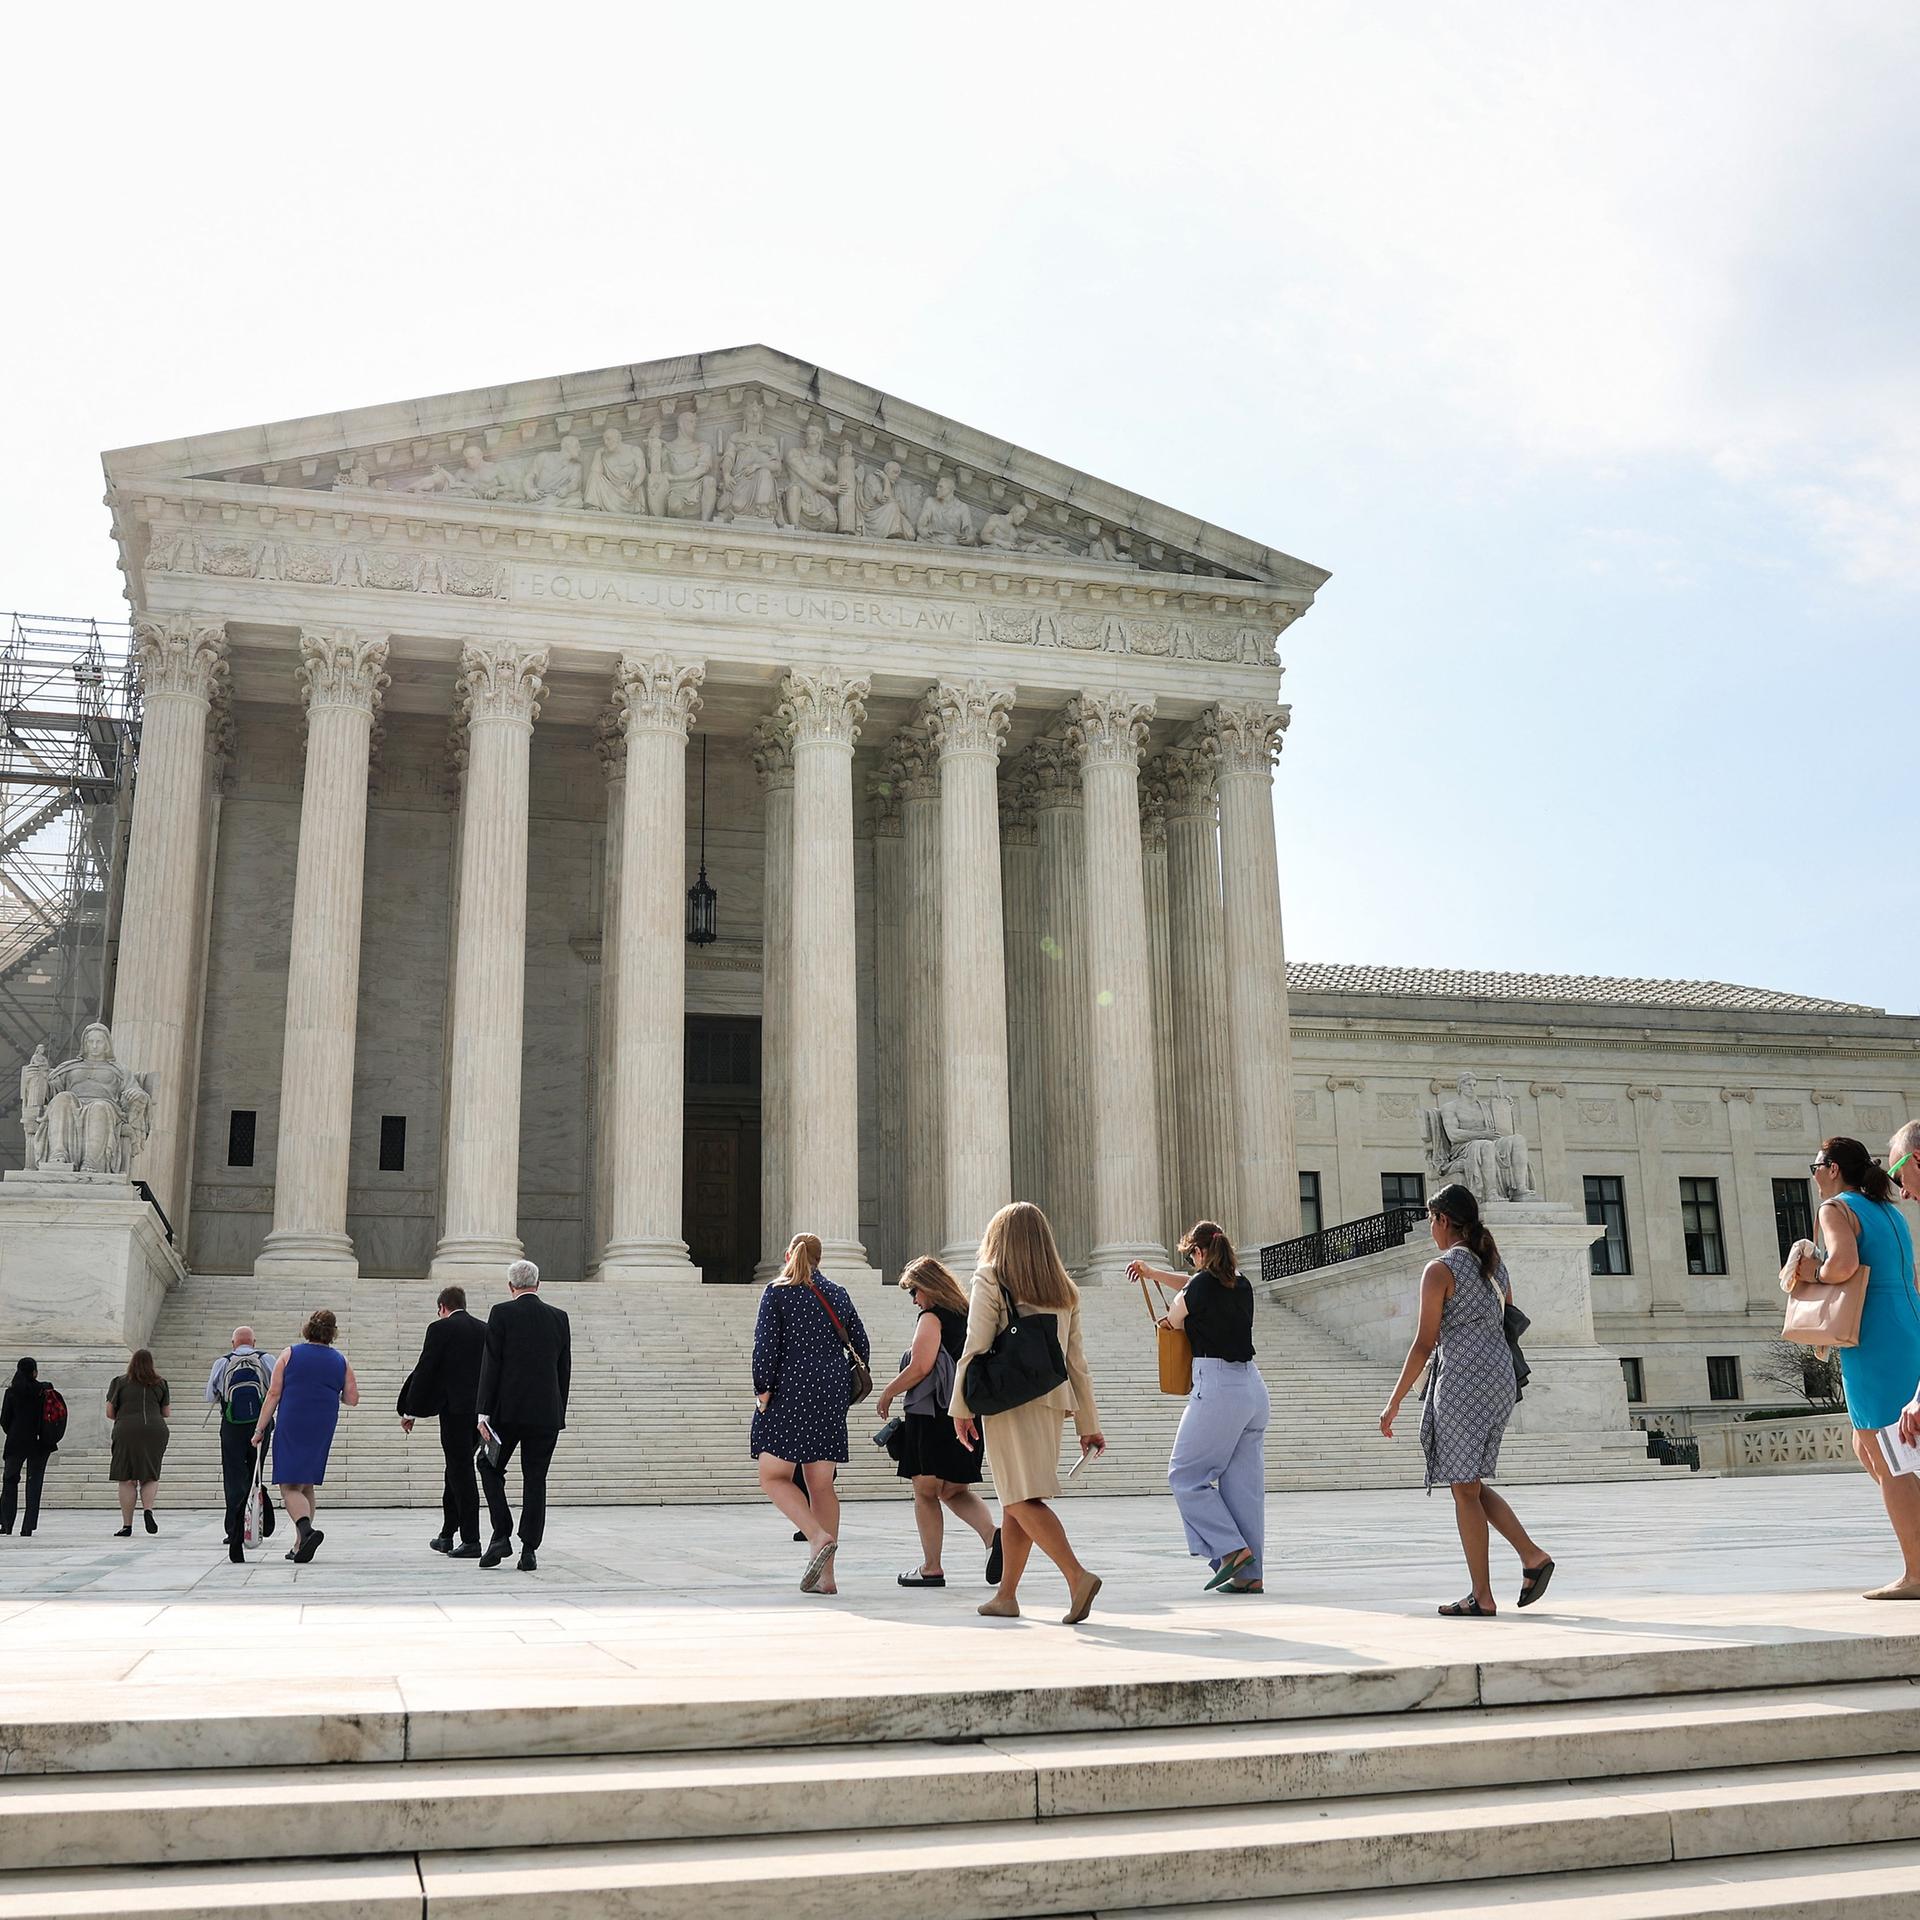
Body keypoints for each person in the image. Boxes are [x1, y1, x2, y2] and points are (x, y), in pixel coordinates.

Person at [1379, 1183, 1552, 1617]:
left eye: (1430, 1220)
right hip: (1498, 1380)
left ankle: (1482, 1595)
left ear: (1441, 1220)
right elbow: (1508, 1319)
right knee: (1469, 1482)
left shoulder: (1439, 1269)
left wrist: (1394, 1401)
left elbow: (1423, 1343)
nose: (1429, 1229)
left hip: (1461, 1380)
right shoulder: (1495, 1267)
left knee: (1463, 1486)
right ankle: (1531, 1556)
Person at [951, 1201, 1105, 1624]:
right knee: (1017, 1498)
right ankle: (1006, 1595)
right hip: (1052, 1404)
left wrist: (960, 1408)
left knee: (1019, 1497)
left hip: (1007, 1404)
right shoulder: (1064, 1291)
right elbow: (1077, 1363)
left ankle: (1077, 1577)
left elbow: (975, 1348)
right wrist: (1089, 1425)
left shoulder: (990, 1277)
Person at [1797, 1138, 1920, 1599]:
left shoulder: (1836, 1207)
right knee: (1869, 1446)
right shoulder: (1890, 1211)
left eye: (1815, 1166)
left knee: (1889, 1456)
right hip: (1905, 1321)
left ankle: (1916, 1574)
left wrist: (1813, 1273)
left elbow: (1844, 1264)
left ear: (1830, 1169)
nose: (1813, 1176)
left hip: (1873, 1333)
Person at [1131, 1221, 1268, 1594]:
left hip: (1218, 1385)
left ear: (1200, 1252)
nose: (1191, 1262)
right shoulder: (1239, 1282)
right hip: (1253, 1389)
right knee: (1244, 1488)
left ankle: (1232, 1551)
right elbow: (1191, 1286)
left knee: (1184, 1475)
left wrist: (1163, 1300)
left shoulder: (1201, 1286)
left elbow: (1175, 1317)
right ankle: (1249, 1575)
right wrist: (1153, 1272)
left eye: (1191, 1254)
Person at [752, 1233, 872, 1595]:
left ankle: (818, 1537)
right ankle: (827, 1578)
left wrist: (763, 1390)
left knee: (773, 1476)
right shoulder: (838, 1293)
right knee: (822, 1485)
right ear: (821, 1259)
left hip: (790, 1389)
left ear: (788, 1254)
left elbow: (766, 1346)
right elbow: (861, 1344)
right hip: (830, 1393)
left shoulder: (777, 1292)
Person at [875, 1256, 1001, 1589]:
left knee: (926, 1493)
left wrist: (888, 1392)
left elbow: (921, 1366)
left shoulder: (931, 1318)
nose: (914, 1299)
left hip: (931, 1417)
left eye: (914, 1291)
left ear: (928, 1287)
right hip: (967, 1412)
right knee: (954, 1489)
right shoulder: (967, 1315)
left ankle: (931, 1567)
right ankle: (993, 1536)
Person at [475, 1259, 571, 1572]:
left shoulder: (501, 1313)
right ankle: (529, 1550)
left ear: (511, 1287)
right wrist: (559, 1409)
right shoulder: (559, 1318)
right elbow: (563, 1371)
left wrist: (483, 1412)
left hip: (507, 1411)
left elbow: (492, 1365)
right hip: (546, 1413)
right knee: (535, 1479)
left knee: (486, 1464)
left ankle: (501, 1532)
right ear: (538, 1285)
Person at [254, 1310, 358, 1564]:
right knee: (307, 1483)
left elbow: (274, 1393)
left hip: (293, 1420)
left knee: (289, 1485)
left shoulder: (290, 1354)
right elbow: (352, 1399)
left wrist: (259, 1429)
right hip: (322, 1423)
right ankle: (300, 1545)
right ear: (332, 1333)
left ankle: (306, 1531)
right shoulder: (340, 1360)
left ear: (307, 1329)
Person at [398, 1284, 487, 1558]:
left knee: (460, 1471)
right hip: (480, 1413)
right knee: (456, 1469)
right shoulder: (485, 1329)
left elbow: (426, 1369)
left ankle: (471, 1539)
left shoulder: (440, 1329)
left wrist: (410, 1410)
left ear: (442, 1308)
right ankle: (447, 1533)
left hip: (455, 1412)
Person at [204, 1326, 276, 1564]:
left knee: (234, 1477)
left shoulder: (222, 1363)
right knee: (256, 1472)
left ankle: (233, 1529)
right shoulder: (266, 1359)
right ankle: (257, 1515)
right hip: (261, 1423)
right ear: (254, 1341)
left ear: (233, 1342)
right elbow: (277, 1390)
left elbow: (211, 1396)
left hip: (232, 1425)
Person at [105, 1349, 170, 1537]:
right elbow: (166, 1412)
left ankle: (127, 1525)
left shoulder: (119, 1382)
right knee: (150, 1474)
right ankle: (148, 1510)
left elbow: (110, 1412)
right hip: (155, 1429)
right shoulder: (161, 1383)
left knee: (126, 1478)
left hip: (126, 1429)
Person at [1, 1358, 59, 1536]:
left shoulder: (11, 1392)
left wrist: (15, 1431)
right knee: (34, 1484)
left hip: (16, 1441)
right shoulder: (44, 1390)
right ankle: (28, 1527)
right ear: (34, 1371)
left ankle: (6, 1523)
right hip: (40, 1441)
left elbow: (4, 1421)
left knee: (10, 1481)